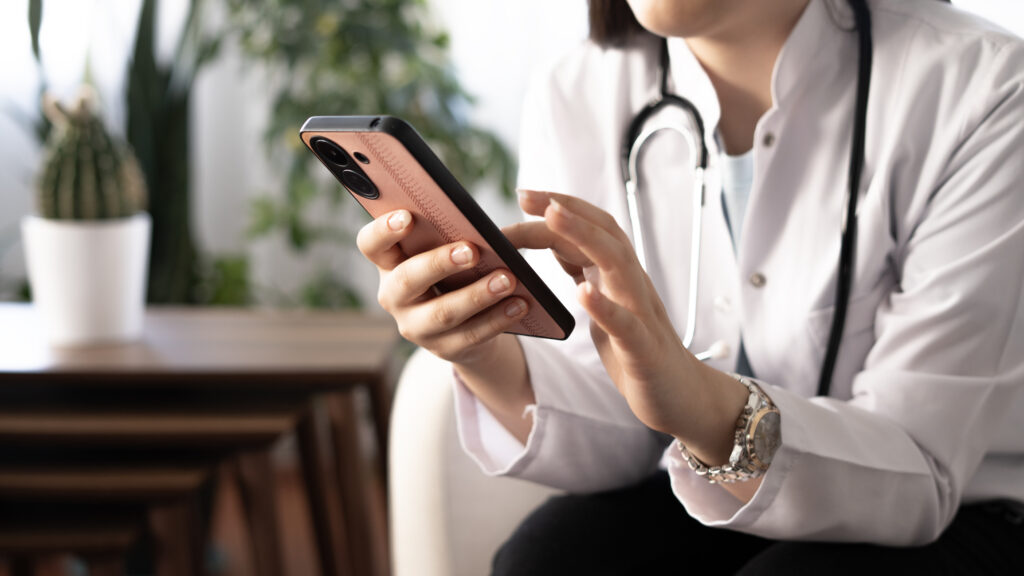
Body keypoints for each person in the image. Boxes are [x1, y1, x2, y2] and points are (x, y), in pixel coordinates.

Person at [359, 0, 1024, 572]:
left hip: (968, 506)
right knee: (551, 559)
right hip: (722, 487)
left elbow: (920, 480)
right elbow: (622, 443)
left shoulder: (984, 86)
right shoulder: (579, 87)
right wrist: (484, 354)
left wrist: (699, 401)